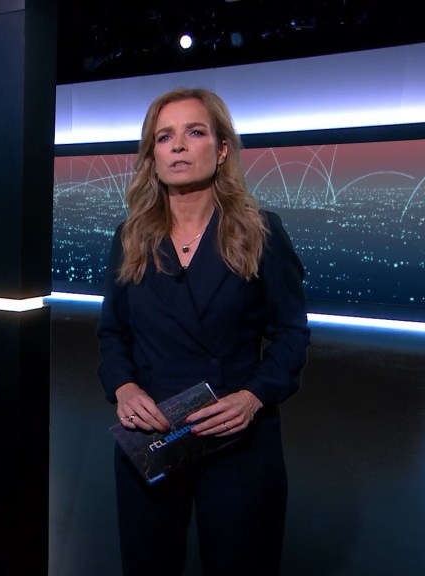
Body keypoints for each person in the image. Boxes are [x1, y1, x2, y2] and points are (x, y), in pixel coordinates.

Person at [97, 87, 310, 576]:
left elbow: (291, 335)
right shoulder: (130, 238)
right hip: (152, 436)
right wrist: (123, 386)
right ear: (152, 157)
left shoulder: (261, 232)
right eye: (164, 137)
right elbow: (112, 333)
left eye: (194, 132)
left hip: (236, 439)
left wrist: (253, 398)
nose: (178, 145)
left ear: (221, 150)